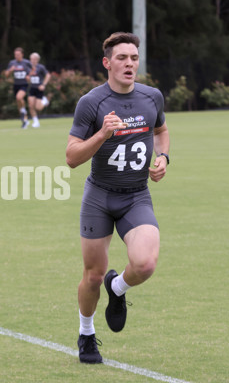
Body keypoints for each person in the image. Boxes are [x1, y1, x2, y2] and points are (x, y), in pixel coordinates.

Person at [65, 32, 170, 364]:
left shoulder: (152, 97)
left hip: (136, 196)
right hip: (99, 197)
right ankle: (85, 334)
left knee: (145, 263)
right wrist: (102, 134)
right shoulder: (91, 102)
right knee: (93, 275)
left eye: (134, 58)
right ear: (107, 63)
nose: (129, 63)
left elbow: (161, 131)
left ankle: (119, 288)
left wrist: (163, 158)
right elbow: (71, 157)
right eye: (122, 58)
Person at [5, 47, 32, 128]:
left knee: (18, 97)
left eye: (18, 55)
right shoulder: (12, 63)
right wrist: (10, 70)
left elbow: (33, 70)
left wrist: (29, 76)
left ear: (22, 55)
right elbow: (6, 75)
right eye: (15, 55)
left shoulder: (26, 62)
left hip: (24, 84)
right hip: (16, 85)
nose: (16, 56)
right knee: (19, 101)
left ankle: (24, 112)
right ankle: (24, 119)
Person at [26, 52, 51, 128]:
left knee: (38, 108)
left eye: (34, 59)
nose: (33, 60)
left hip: (39, 89)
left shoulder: (41, 67)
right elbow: (27, 78)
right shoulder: (28, 68)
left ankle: (45, 101)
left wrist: (43, 84)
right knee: (30, 105)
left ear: (37, 60)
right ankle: (36, 121)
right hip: (31, 88)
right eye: (31, 59)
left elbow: (48, 75)